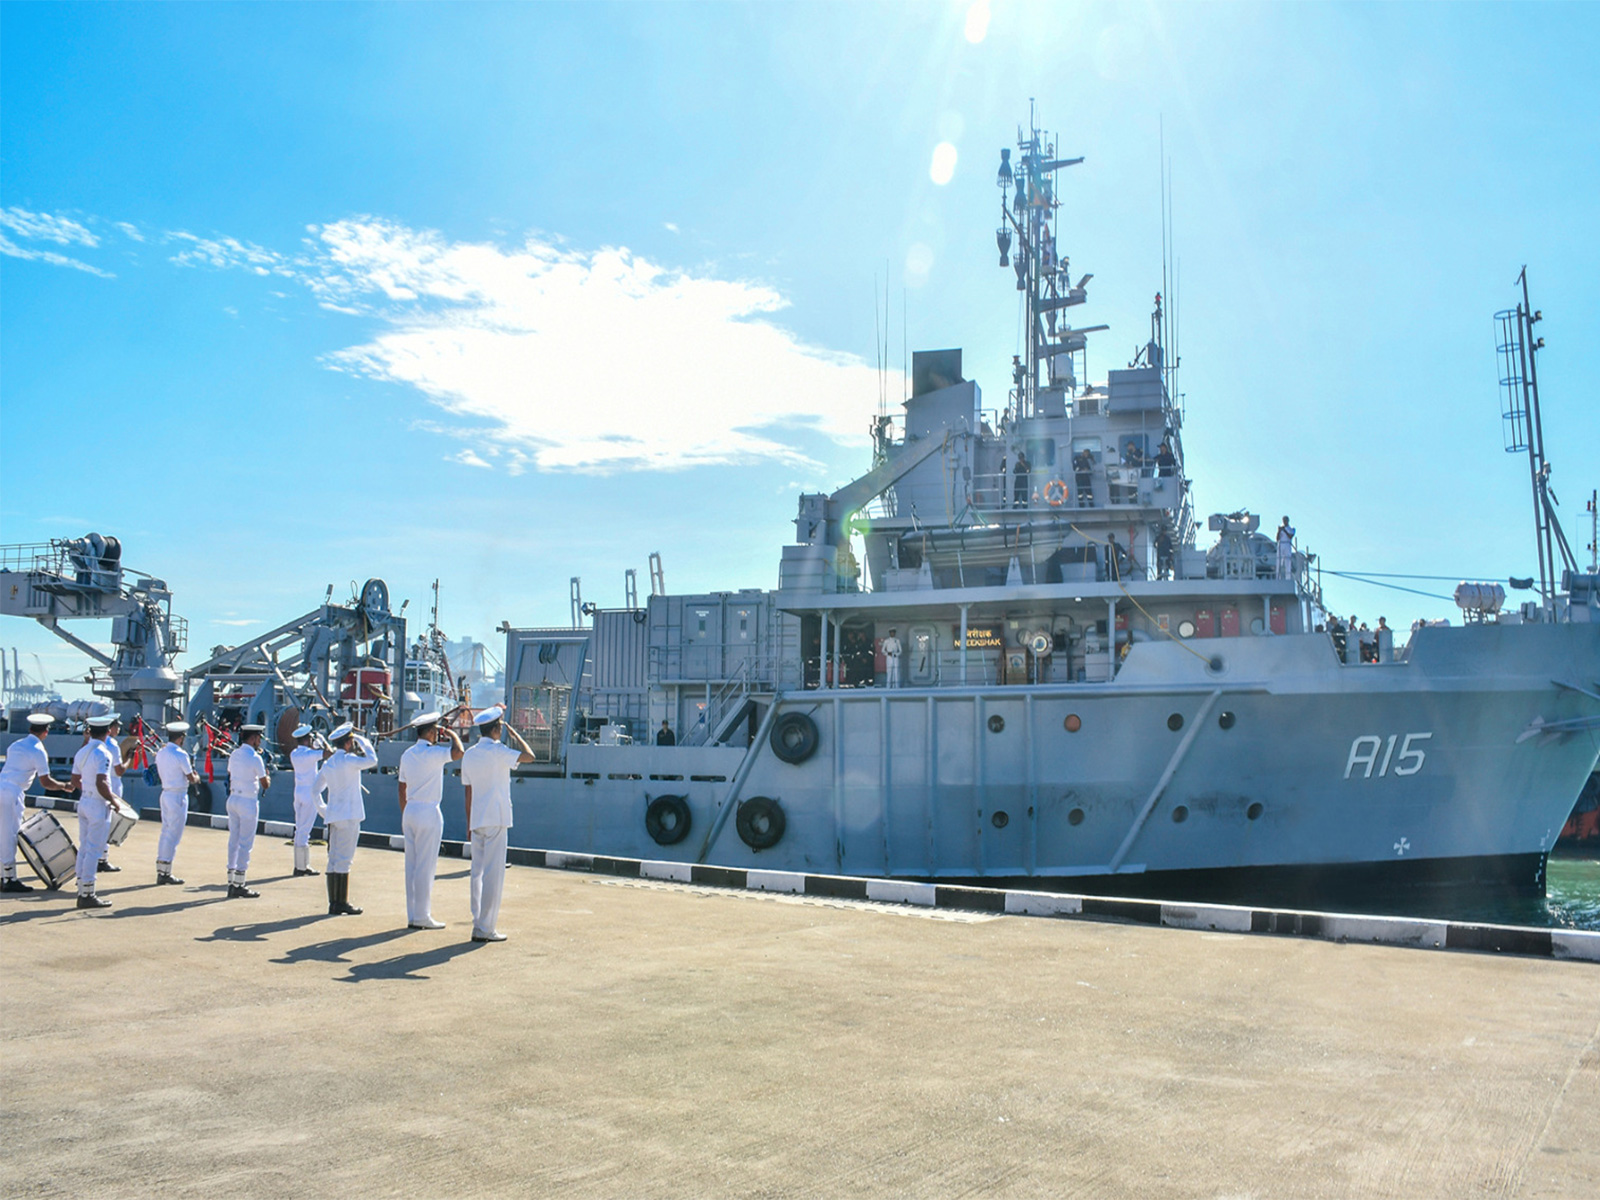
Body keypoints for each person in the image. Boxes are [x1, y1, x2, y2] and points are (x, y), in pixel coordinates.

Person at [460, 706, 535, 943]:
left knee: (477, 874)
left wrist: (469, 822)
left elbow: (468, 792)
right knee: (494, 875)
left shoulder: (470, 754)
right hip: (497, 818)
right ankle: (487, 927)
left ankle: (477, 922)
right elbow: (529, 756)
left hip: (478, 819)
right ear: (496, 728)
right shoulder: (500, 751)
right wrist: (516, 736)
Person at [397, 711, 463, 931]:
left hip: (410, 810)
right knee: (426, 866)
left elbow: (401, 786)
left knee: (412, 866)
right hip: (428, 811)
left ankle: (412, 915)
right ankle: (423, 916)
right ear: (433, 731)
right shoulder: (434, 754)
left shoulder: (406, 754)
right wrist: (452, 733)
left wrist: (406, 813)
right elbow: (459, 752)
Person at [314, 722, 379, 916]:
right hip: (350, 815)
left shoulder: (329, 763)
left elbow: (315, 790)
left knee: (333, 859)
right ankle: (341, 902)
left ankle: (334, 903)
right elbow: (372, 759)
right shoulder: (350, 760)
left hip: (334, 816)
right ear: (349, 742)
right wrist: (363, 740)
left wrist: (324, 811)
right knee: (344, 860)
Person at [0, 713, 70, 892]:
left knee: (2, 833)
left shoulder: (15, 745)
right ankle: (9, 880)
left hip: (2, 785)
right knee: (10, 836)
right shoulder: (38, 750)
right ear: (46, 731)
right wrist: (64, 786)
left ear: (30, 728)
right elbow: (46, 782)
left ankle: (4, 875)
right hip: (12, 793)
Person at [73, 713, 126, 909]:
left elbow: (74, 780)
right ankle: (87, 894)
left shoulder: (82, 752)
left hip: (84, 801)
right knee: (95, 849)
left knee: (84, 847)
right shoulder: (103, 753)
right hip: (97, 804)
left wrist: (87, 792)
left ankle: (81, 886)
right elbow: (102, 782)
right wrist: (113, 800)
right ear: (107, 732)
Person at [224, 724, 271, 899]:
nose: (259, 741)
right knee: (245, 843)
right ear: (253, 738)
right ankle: (239, 883)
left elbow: (231, 773)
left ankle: (231, 879)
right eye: (258, 737)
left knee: (233, 840)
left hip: (233, 798)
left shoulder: (234, 754)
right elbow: (264, 783)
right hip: (247, 802)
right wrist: (268, 778)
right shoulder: (255, 757)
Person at [153, 720, 200, 885]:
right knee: (174, 834)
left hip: (166, 794)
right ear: (180, 738)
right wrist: (197, 777)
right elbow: (191, 778)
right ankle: (165, 871)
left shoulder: (161, 753)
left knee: (165, 831)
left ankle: (162, 867)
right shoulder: (181, 754)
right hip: (178, 796)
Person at [288, 723, 329, 877]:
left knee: (299, 828)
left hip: (298, 791)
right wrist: (323, 741)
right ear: (307, 739)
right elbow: (329, 754)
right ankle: (302, 867)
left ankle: (300, 865)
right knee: (305, 830)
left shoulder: (294, 754)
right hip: (309, 793)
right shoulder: (310, 755)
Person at [1276, 516, 1296, 580]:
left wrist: (1284, 530)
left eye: (1285, 520)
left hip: (1287, 544)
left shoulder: (1291, 529)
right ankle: (1278, 577)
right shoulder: (1281, 529)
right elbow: (1277, 539)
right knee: (1279, 561)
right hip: (1281, 544)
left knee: (1287, 561)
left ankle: (1288, 578)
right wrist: (1279, 531)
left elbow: (1290, 536)